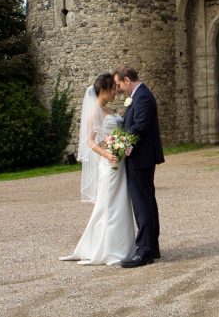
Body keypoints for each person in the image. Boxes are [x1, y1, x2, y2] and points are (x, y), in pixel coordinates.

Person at [59, 73, 135, 265]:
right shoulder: (94, 112)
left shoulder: (111, 110)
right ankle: (103, 248)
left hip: (120, 162)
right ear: (103, 90)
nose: (115, 93)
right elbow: (90, 142)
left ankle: (121, 246)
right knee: (107, 205)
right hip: (108, 164)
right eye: (112, 90)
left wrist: (122, 146)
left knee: (120, 205)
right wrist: (108, 154)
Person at [114, 66, 165, 268]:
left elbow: (139, 126)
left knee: (142, 204)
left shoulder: (142, 96)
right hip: (141, 157)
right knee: (147, 202)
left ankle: (144, 251)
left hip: (141, 158)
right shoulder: (139, 96)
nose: (119, 89)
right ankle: (151, 247)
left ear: (127, 80)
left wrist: (121, 144)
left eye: (119, 84)